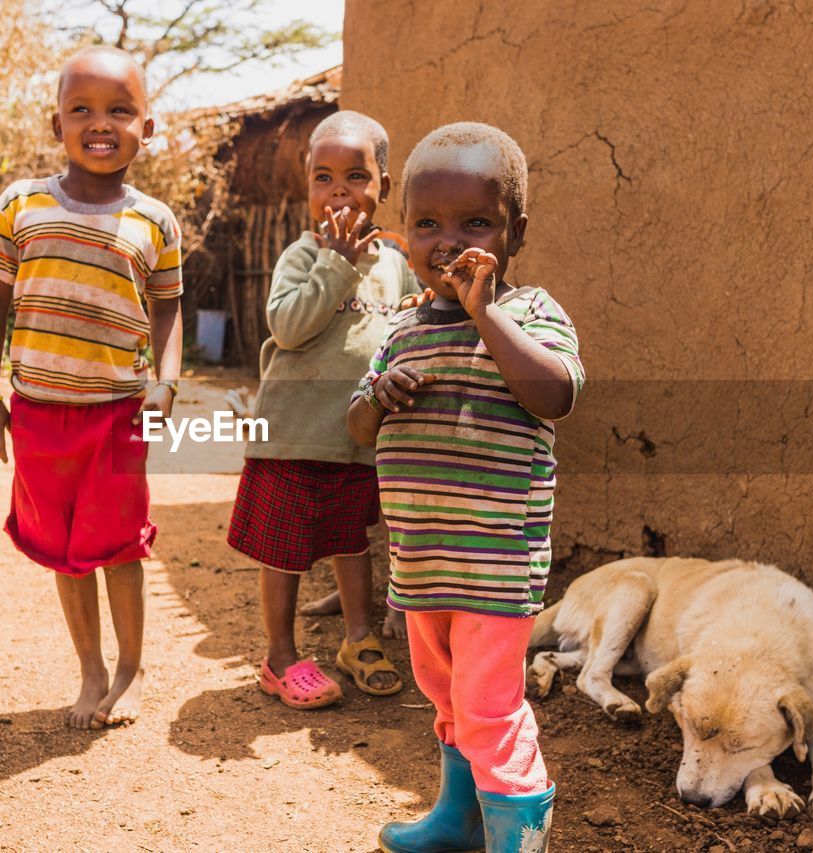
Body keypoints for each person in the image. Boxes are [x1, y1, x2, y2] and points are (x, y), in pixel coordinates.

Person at [348, 122, 584, 852]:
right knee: (448, 697)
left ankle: (519, 835)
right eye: (427, 224)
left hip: (495, 565)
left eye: (475, 223)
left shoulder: (532, 314)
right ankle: (460, 818)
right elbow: (357, 426)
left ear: (516, 231)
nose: (448, 241)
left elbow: (557, 395)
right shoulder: (399, 330)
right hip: (423, 563)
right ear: (403, 235)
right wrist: (378, 394)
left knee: (489, 706)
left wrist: (485, 313)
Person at [0, 46, 183, 731]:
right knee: (64, 552)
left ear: (146, 127)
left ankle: (131, 668)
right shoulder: (20, 205)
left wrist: (166, 381)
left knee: (119, 548)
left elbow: (169, 307)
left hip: (118, 415)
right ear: (55, 122)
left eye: (121, 110)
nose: (102, 123)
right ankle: (90, 667)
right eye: (83, 109)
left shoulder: (156, 221)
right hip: (38, 415)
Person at [227, 111, 422, 709]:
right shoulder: (301, 255)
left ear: (384, 186)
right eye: (323, 177)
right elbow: (287, 327)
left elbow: (406, 322)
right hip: (290, 433)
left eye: (356, 175)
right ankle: (280, 656)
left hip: (355, 437)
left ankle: (359, 641)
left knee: (350, 540)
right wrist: (335, 263)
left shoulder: (393, 263)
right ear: (307, 187)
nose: (339, 190)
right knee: (283, 549)